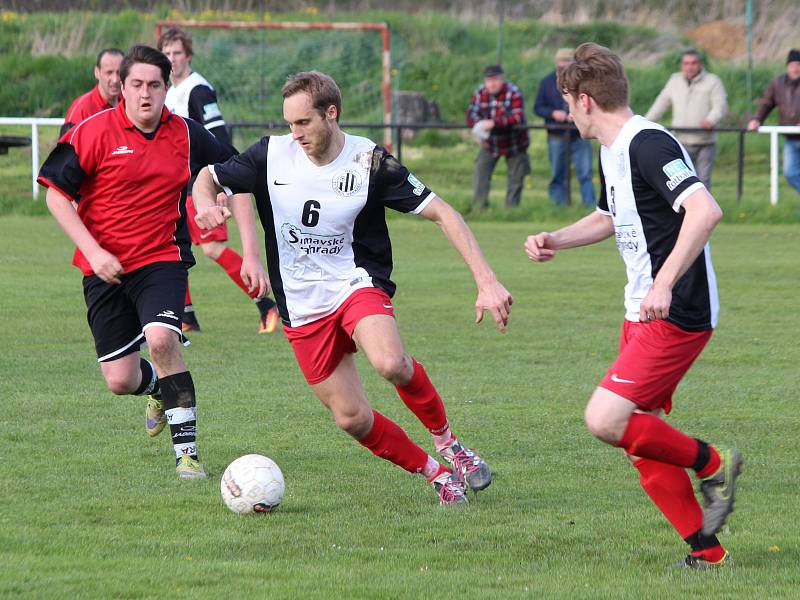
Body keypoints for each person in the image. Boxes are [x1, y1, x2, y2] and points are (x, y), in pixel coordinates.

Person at [192, 71, 513, 505]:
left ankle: (449, 443)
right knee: (351, 417)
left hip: (355, 281)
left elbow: (443, 212)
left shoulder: (370, 162)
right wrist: (205, 204)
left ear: (331, 112)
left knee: (390, 362)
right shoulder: (270, 155)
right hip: (301, 303)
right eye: (289, 123)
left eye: (304, 122)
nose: (295, 134)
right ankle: (437, 474)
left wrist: (487, 280)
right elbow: (208, 177)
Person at [525, 43, 742, 569]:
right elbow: (609, 215)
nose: (568, 111)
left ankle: (714, 463)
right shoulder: (613, 148)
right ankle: (707, 552)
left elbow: (703, 209)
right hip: (641, 311)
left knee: (605, 418)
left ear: (582, 101)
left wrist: (664, 283)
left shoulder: (647, 144)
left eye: (568, 102)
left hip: (676, 311)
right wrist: (557, 237)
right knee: (640, 440)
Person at [37, 45, 267, 479]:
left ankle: (187, 456)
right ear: (120, 87)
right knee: (120, 380)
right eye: (137, 85)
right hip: (102, 267)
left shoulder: (187, 133)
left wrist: (250, 253)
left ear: (168, 87)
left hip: (162, 258)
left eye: (155, 85)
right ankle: (162, 388)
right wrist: (94, 251)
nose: (146, 94)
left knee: (163, 341)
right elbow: (56, 194)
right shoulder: (90, 131)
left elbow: (239, 178)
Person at [158, 27, 279, 334]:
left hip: (202, 184)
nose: (172, 59)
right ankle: (186, 317)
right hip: (177, 185)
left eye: (177, 53)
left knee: (210, 249)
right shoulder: (169, 92)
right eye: (167, 54)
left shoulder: (198, 90)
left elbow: (220, 139)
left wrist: (222, 185)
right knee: (170, 246)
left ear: (188, 56)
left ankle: (266, 304)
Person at [646, 49, 727, 190]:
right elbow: (661, 103)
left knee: (703, 180)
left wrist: (711, 120)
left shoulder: (713, 81)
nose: (690, 67)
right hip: (680, 140)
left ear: (700, 64)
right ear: (682, 65)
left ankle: (704, 211)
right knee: (680, 180)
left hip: (704, 141)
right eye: (686, 63)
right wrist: (645, 122)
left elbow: (720, 105)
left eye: (693, 63)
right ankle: (683, 211)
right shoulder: (674, 80)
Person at [534, 48, 596, 207]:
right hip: (556, 134)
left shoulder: (583, 82)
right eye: (562, 62)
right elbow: (538, 107)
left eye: (568, 61)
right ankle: (558, 207)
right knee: (557, 174)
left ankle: (590, 208)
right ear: (556, 63)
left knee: (585, 174)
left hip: (580, 133)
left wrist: (577, 114)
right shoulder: (547, 82)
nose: (564, 65)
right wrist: (553, 113)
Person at [466, 64, 530, 210]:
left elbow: (518, 117)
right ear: (484, 81)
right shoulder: (479, 93)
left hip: (515, 143)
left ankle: (511, 212)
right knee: (480, 174)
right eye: (489, 80)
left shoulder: (513, 92)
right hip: (490, 143)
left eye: (495, 79)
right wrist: (479, 124)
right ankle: (479, 209)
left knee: (516, 179)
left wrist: (494, 123)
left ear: (502, 79)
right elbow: (470, 116)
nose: (492, 83)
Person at [747, 48, 800, 194]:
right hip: (790, 138)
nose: (796, 68)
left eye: (799, 64)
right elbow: (766, 103)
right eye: (793, 65)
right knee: (790, 173)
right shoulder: (778, 83)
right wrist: (757, 119)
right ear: (787, 66)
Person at [60, 48, 124, 136]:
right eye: (109, 72)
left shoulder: (130, 104)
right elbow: (66, 148)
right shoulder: (82, 109)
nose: (115, 79)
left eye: (119, 72)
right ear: (97, 72)